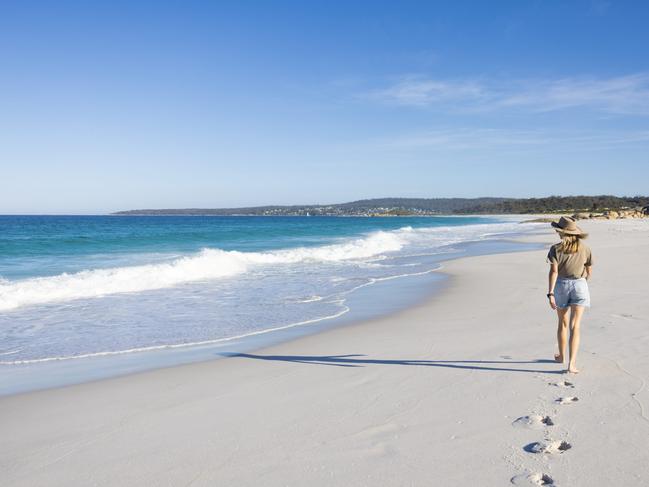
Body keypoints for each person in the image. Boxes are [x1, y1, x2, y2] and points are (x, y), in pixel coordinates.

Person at [546, 216, 593, 374]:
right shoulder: (585, 248)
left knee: (563, 324)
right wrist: (582, 282)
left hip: (561, 286)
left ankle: (561, 357)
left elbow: (554, 272)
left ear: (561, 232)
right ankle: (572, 364)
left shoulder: (555, 249)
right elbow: (589, 271)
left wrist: (550, 293)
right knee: (575, 326)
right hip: (580, 285)